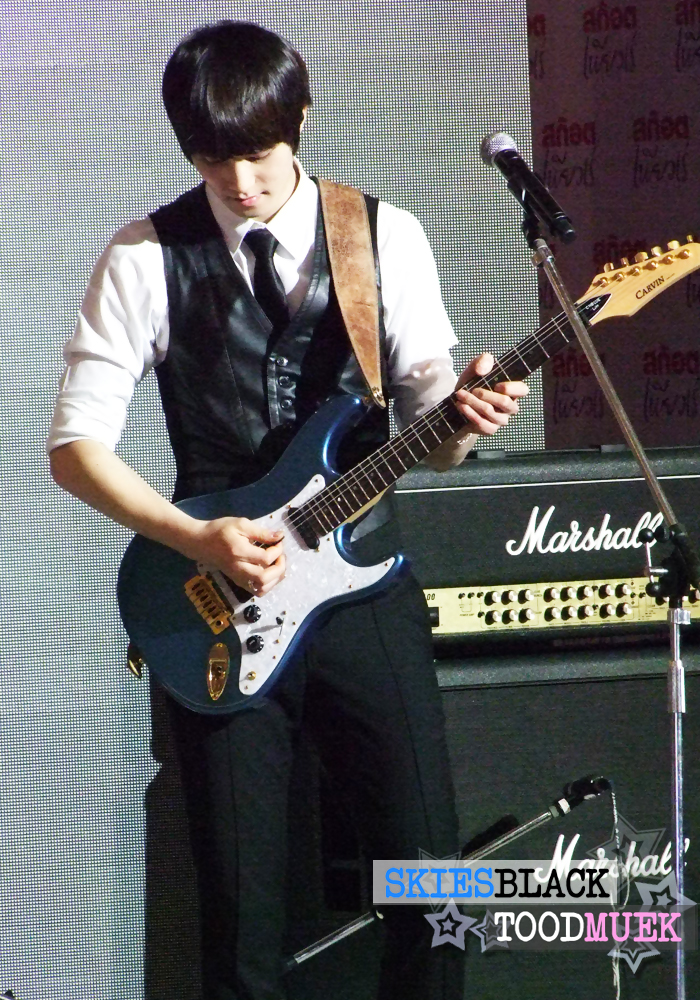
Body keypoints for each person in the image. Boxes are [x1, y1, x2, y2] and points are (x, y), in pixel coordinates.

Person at [48, 20, 528, 1000]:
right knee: (239, 929)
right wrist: (195, 535)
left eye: (259, 154)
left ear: (300, 117)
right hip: (217, 605)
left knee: (433, 887)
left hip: (364, 592)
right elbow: (74, 447)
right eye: (212, 159)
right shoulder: (144, 256)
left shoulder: (382, 235)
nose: (240, 182)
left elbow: (437, 437)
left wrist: (465, 417)